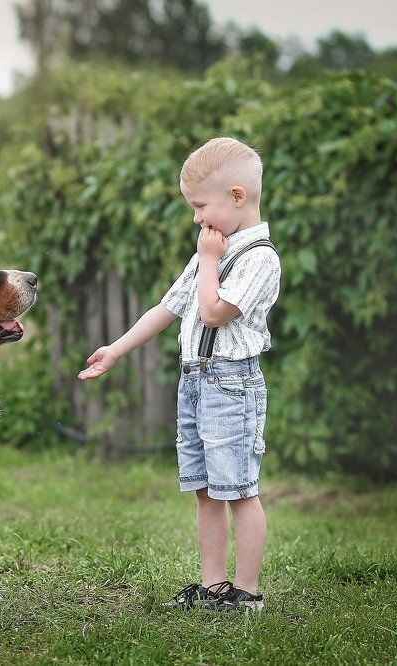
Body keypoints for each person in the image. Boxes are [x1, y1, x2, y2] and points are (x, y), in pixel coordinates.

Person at [78, 137, 281, 611]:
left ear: (237, 196)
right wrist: (116, 350)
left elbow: (212, 313)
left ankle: (246, 595)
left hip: (232, 384)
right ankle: (212, 589)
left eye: (200, 206)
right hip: (196, 382)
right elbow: (169, 307)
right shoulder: (208, 253)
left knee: (239, 491)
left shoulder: (258, 259)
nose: (196, 219)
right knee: (205, 490)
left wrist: (209, 260)